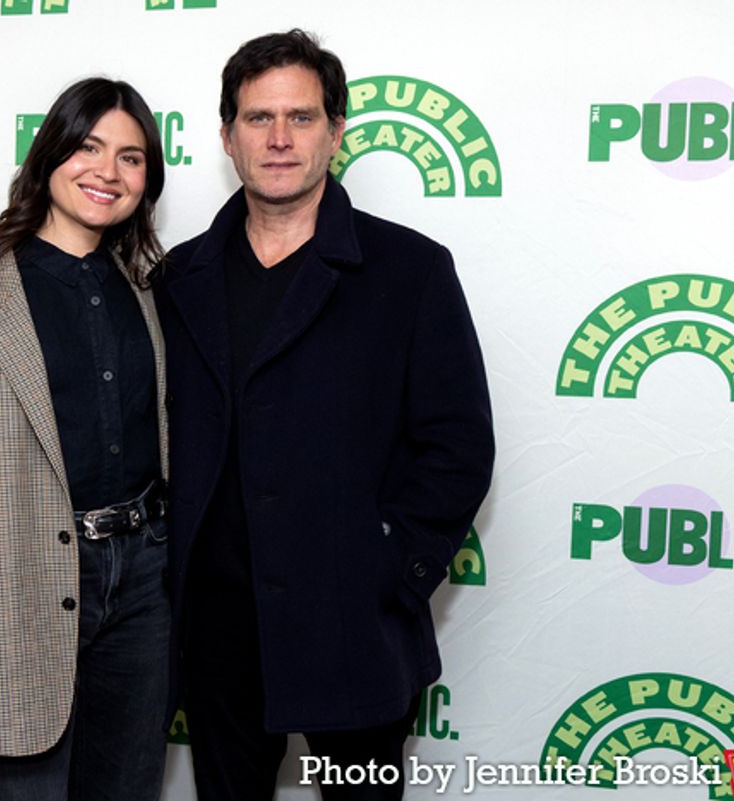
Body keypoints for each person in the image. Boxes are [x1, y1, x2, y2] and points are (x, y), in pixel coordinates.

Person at [151, 30, 495, 800]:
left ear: (336, 131)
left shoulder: (410, 270)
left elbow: (458, 445)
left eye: (301, 117)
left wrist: (389, 568)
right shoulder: (177, 279)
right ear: (227, 137)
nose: (279, 138)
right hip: (218, 636)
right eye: (258, 118)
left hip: (354, 627)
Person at [0, 77, 170, 801]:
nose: (108, 171)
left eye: (132, 157)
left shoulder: (153, 288)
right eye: (88, 146)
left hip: (145, 583)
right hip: (18, 585)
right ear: (49, 153)